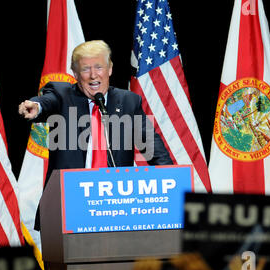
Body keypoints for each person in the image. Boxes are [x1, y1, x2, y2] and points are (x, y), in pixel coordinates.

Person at [18, 40, 172, 228]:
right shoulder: (62, 94)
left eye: (99, 67)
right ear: (75, 74)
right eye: (85, 69)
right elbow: (47, 101)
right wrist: (37, 106)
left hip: (115, 208)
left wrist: (172, 183)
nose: (93, 75)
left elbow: (154, 151)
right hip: (69, 207)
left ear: (110, 69)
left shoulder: (128, 102)